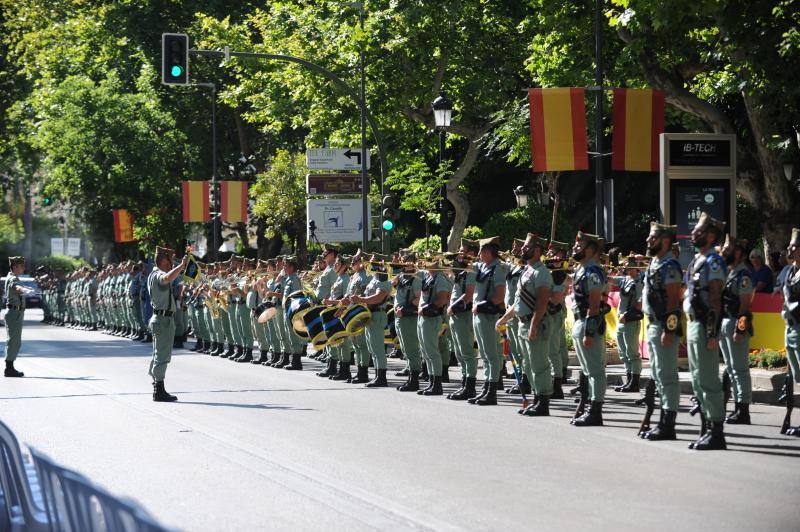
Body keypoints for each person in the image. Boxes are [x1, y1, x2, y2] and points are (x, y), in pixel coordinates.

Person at [684, 212, 728, 450]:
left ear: (710, 236)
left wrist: (713, 334)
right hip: (693, 325)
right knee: (699, 379)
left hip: (704, 327)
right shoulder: (697, 260)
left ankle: (716, 432)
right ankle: (706, 428)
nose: (693, 233)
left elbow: (715, 300)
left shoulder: (714, 261)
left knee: (709, 380)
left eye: (699, 231)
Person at [497, 233, 553, 416]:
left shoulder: (541, 272)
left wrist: (534, 325)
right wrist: (504, 318)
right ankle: (536, 399)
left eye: (527, 247)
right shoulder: (526, 271)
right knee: (528, 365)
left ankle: (543, 402)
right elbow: (518, 302)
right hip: (522, 323)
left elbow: (542, 302)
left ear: (537, 251)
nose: (522, 249)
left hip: (533, 323)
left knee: (539, 365)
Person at [639, 222, 683, 441]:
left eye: (653, 238)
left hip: (664, 326)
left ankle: (668, 424)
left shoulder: (670, 265)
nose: (648, 241)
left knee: (667, 376)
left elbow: (674, 301)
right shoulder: (655, 263)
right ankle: (662, 421)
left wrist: (669, 329)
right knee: (658, 373)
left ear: (665, 241)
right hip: (653, 324)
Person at [719, 234, 754, 424]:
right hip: (726, 322)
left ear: (739, 253)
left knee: (740, 368)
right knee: (731, 368)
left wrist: (740, 331)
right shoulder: (730, 273)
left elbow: (745, 306)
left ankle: (743, 409)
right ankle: (737, 407)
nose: (726, 253)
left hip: (735, 323)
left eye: (729, 250)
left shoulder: (744, 275)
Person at [469, 236, 508, 406]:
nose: (478, 254)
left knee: (491, 355)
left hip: (489, 316)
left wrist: (482, 305)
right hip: (479, 315)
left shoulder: (497, 269)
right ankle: (486, 388)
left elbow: (500, 296)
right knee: (484, 354)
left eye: (481, 251)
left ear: (487, 252)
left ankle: (492, 391)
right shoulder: (484, 267)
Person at [148, 246, 189, 401]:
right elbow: (166, 279)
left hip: (161, 319)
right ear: (163, 260)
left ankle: (157, 385)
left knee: (158, 353)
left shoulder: (153, 273)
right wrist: (181, 266)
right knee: (162, 355)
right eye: (170, 260)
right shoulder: (158, 274)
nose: (171, 263)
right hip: (163, 320)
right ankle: (159, 390)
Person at [447, 240, 479, 400]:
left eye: (462, 251)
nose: (459, 254)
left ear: (472, 253)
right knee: (459, 352)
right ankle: (464, 383)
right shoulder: (462, 270)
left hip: (464, 314)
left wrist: (453, 307)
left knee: (466, 351)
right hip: (456, 315)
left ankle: (470, 386)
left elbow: (469, 294)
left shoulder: (472, 271)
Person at [611, 256, 644, 393]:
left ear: (635, 268)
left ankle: (635, 383)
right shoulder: (625, 279)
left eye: (629, 266)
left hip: (630, 320)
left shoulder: (638, 283)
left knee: (632, 353)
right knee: (623, 353)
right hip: (621, 321)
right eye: (626, 266)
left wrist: (627, 315)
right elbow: (611, 279)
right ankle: (629, 379)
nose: (626, 268)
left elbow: (639, 303)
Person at [780, 227, 800, 436]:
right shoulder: (790, 271)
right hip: (791, 327)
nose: (789, 248)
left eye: (793, 246)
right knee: (797, 375)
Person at [4, 256, 33, 378]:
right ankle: (9, 368)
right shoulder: (12, 278)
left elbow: (18, 287)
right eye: (21, 266)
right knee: (14, 341)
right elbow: (16, 287)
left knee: (14, 341)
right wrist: (24, 290)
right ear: (15, 266)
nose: (23, 268)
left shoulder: (13, 277)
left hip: (15, 312)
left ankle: (9, 367)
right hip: (14, 313)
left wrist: (27, 288)